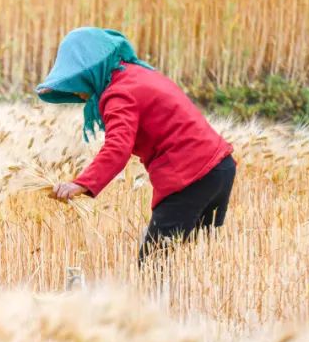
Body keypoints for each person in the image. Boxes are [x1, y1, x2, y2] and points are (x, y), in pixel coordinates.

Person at [35, 27, 236, 264]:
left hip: (190, 178)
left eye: (74, 80)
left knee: (152, 261)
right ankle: (191, 301)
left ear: (90, 72)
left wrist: (80, 184)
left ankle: (157, 302)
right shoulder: (137, 74)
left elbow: (117, 148)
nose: (76, 92)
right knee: (197, 259)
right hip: (220, 169)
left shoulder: (118, 94)